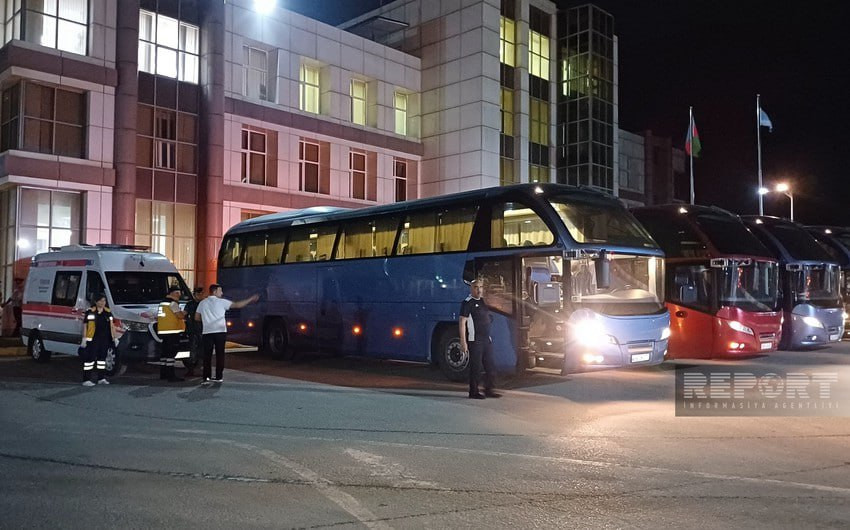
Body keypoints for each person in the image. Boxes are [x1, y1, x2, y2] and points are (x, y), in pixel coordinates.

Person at [195, 284, 258, 385]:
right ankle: (219, 376)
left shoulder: (202, 303)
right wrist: (250, 299)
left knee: (207, 355)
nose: (222, 293)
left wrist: (207, 320)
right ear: (215, 292)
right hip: (220, 331)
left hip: (207, 332)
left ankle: (206, 377)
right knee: (220, 354)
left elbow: (197, 318)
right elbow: (237, 305)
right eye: (220, 291)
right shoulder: (222, 302)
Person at [459, 279, 501, 399]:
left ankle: (489, 390)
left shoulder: (482, 301)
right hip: (475, 340)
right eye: (476, 287)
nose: (479, 290)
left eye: (481, 287)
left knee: (490, 366)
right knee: (475, 367)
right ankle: (473, 392)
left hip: (486, 339)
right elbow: (462, 322)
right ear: (471, 288)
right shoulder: (467, 303)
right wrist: (463, 341)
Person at [80, 293, 119, 387]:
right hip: (93, 339)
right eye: (101, 301)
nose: (103, 302)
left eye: (104, 301)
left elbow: (112, 326)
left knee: (102, 359)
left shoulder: (108, 312)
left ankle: (101, 378)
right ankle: (86, 379)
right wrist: (84, 338)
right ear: (96, 302)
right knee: (90, 359)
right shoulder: (90, 312)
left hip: (105, 339)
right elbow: (85, 326)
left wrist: (115, 337)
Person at [156, 286, 187, 382]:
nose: (179, 295)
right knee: (171, 354)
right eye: (177, 293)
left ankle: (163, 373)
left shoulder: (162, 303)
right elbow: (180, 315)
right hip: (172, 331)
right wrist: (185, 312)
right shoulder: (173, 303)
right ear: (171, 293)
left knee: (164, 353)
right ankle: (171, 375)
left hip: (163, 331)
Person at [182, 286, 205, 377]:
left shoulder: (205, 304)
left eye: (201, 294)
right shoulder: (190, 304)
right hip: (193, 330)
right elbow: (184, 314)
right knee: (193, 350)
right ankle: (192, 369)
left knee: (202, 350)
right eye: (197, 294)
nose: (199, 295)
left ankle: (199, 368)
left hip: (203, 330)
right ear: (194, 295)